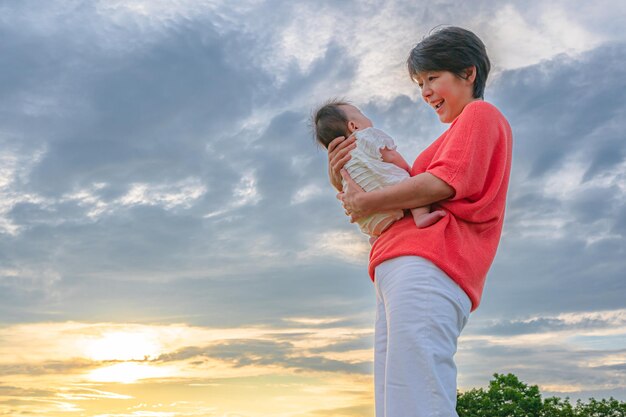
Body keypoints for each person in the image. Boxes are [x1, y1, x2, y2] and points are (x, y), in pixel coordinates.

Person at [326, 27, 512, 417]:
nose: (425, 91)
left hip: (431, 260)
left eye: (432, 78)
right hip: (398, 263)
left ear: (468, 72)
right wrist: (344, 177)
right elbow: (396, 192)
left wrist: (364, 200)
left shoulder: (480, 114)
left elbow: (442, 183)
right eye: (420, 83)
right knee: (398, 395)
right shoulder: (443, 141)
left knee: (418, 390)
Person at [313, 100, 446, 238]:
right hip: (393, 192)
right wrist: (409, 171)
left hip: (372, 219)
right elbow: (392, 156)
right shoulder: (366, 136)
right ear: (354, 126)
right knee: (412, 188)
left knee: (375, 229)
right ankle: (421, 216)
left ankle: (375, 238)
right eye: (360, 113)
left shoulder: (342, 163)